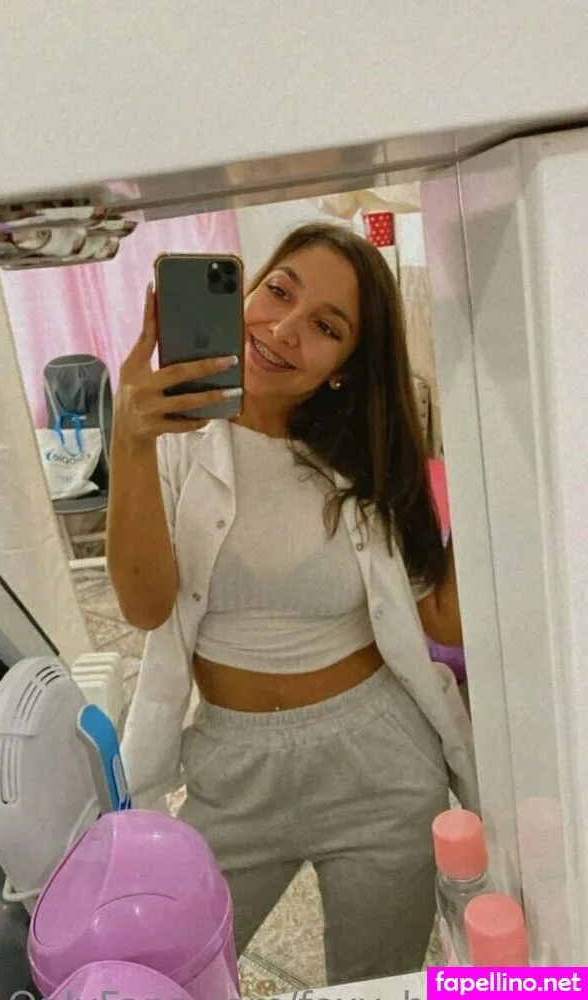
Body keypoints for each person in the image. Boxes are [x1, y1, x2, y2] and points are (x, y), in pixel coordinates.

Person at [107, 222, 478, 984]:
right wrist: (130, 440)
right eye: (279, 291)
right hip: (230, 769)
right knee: (166, 977)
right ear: (246, 287)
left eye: (326, 327)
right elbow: (145, 606)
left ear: (345, 367)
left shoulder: (363, 458)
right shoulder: (172, 435)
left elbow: (441, 618)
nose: (283, 330)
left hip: (379, 768)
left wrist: (496, 471)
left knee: (375, 985)